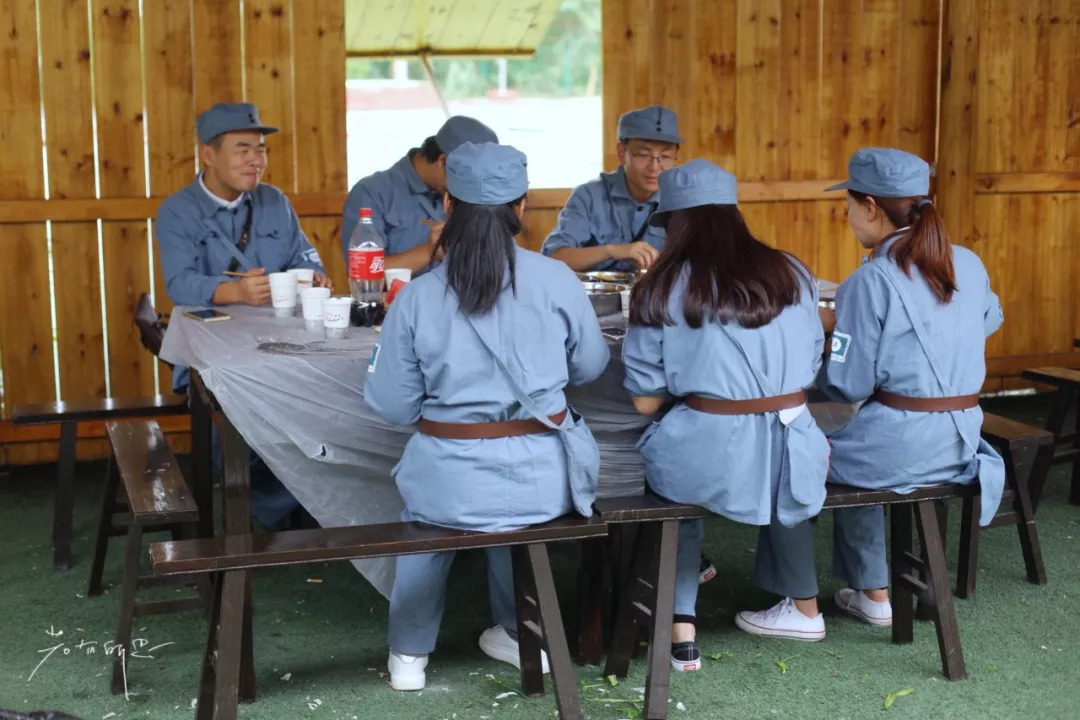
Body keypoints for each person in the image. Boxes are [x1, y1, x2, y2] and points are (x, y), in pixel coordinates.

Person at [365, 142, 610, 692]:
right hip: (544, 478)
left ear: (448, 205)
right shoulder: (556, 279)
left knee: (426, 523)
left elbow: (392, 404)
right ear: (521, 206)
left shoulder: (417, 296)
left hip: (449, 481)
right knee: (512, 519)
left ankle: (408, 657)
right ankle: (518, 631)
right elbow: (590, 366)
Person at [734, 147, 1005, 639]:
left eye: (848, 206)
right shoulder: (968, 261)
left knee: (791, 454)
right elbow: (989, 319)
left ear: (872, 207)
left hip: (903, 447)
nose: (848, 216)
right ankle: (873, 592)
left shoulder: (869, 280)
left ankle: (801, 608)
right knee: (852, 440)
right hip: (961, 440)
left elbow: (847, 385)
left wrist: (833, 333)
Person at [622, 159, 830, 672]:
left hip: (707, 454)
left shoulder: (660, 286)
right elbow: (811, 364)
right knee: (783, 481)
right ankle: (806, 609)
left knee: (672, 485)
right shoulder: (793, 271)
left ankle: (682, 631)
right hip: (795, 441)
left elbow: (645, 402)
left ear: (675, 223)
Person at [155, 102, 329, 531]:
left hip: (280, 343)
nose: (256, 159)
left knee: (319, 403)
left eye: (261, 149)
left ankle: (305, 503)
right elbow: (179, 283)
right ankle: (279, 514)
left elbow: (303, 253)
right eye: (242, 149)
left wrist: (313, 273)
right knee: (239, 425)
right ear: (208, 155)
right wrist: (234, 292)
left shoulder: (275, 201)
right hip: (213, 351)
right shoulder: (178, 211)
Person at [340, 116, 499, 273]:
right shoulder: (372, 193)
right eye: (466, 178)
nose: (468, 187)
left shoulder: (471, 195)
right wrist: (428, 251)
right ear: (443, 162)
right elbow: (362, 270)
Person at [542, 105, 680, 273]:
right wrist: (611, 251)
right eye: (644, 155)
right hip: (596, 290)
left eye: (665, 156)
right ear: (622, 152)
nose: (654, 167)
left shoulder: (682, 202)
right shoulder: (589, 196)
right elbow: (553, 258)